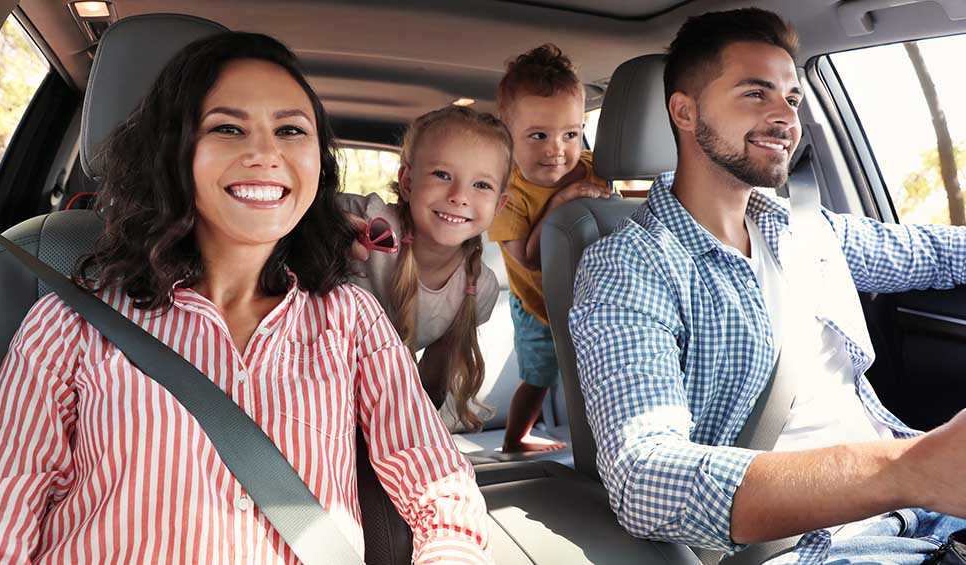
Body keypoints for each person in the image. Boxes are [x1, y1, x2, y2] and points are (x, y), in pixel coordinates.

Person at [0, 32, 492, 564]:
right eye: (227, 127)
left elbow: (439, 487)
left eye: (290, 129)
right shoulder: (69, 323)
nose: (265, 153)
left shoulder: (351, 321)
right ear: (176, 152)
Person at [570, 8, 966, 565]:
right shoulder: (630, 266)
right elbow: (645, 476)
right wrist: (905, 472)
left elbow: (932, 253)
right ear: (684, 112)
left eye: (793, 99)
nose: (785, 116)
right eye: (755, 94)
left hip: (921, 511)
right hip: (812, 545)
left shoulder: (808, 229)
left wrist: (915, 475)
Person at [340, 106, 511, 431]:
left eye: (482, 185)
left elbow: (430, 384)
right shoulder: (367, 221)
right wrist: (323, 227)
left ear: (499, 205)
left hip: (378, 418)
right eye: (442, 175)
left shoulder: (479, 288)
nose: (459, 196)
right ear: (406, 182)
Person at [488, 44, 612, 453]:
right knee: (539, 374)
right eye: (538, 135)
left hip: (590, 299)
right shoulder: (508, 192)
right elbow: (527, 257)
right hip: (536, 305)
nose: (556, 149)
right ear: (507, 138)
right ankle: (516, 437)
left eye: (570, 134)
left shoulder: (596, 168)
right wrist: (561, 203)